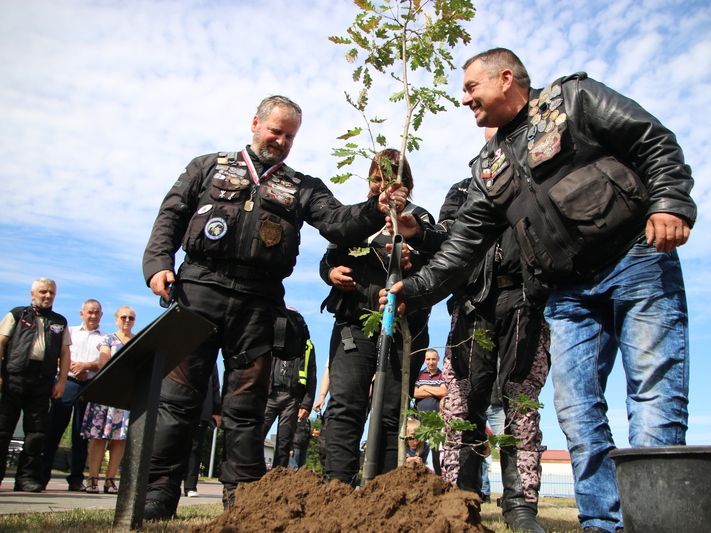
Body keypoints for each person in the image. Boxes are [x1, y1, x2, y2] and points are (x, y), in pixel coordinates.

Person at [382, 48, 696, 533]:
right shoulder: (488, 168)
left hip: (636, 257)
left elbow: (651, 138)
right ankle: (601, 523)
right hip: (567, 292)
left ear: (506, 78)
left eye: (470, 87)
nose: (464, 99)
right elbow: (461, 246)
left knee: (653, 392)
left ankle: (657, 522)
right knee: (576, 407)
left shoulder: (575, 99)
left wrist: (669, 201)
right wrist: (416, 288)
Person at [141, 95, 406, 520]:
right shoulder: (207, 166)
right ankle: (158, 492)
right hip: (198, 289)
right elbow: (171, 215)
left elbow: (338, 222)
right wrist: (158, 264)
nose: (280, 141)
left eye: (289, 136)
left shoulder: (302, 186)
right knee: (179, 397)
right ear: (255, 123)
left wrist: (376, 208)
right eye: (275, 131)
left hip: (259, 301)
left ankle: (243, 498)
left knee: (246, 405)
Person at [400, 145, 551, 532]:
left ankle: (520, 505)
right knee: (461, 405)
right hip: (472, 307)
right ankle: (460, 501)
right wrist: (420, 232)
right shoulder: (463, 189)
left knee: (520, 402)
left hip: (525, 302)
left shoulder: (538, 179)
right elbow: (448, 237)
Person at [319, 148, 434, 485]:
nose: (382, 186)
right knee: (346, 404)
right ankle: (337, 487)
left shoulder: (420, 220)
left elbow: (440, 268)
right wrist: (330, 273)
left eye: (391, 180)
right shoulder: (356, 217)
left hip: (403, 329)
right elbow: (329, 257)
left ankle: (381, 489)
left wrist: (412, 267)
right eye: (376, 179)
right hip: (354, 323)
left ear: (407, 184)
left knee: (390, 410)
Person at [0, 278, 70, 492]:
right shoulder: (17, 314)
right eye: (43, 292)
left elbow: (65, 353)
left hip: (42, 380)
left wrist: (61, 381)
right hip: (14, 377)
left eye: (51, 293)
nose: (47, 296)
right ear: (32, 293)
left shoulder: (59, 321)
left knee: (37, 433)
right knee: (3, 429)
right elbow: (1, 342)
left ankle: (27, 479)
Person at [42, 298, 104, 492]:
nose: (93, 316)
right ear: (82, 313)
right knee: (54, 429)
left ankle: (76, 478)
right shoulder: (70, 332)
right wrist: (72, 368)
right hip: (67, 383)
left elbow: (104, 361)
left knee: (81, 434)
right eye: (90, 312)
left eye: (97, 312)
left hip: (89, 385)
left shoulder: (104, 338)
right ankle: (41, 475)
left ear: (101, 315)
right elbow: (58, 354)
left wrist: (87, 366)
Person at [80, 306, 136, 494]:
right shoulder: (108, 339)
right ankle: (92, 478)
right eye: (123, 317)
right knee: (98, 437)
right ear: (116, 319)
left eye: (131, 318)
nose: (127, 320)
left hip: (125, 395)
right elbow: (104, 362)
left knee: (120, 438)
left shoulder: (137, 340)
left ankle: (110, 479)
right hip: (105, 393)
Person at [262, 308, 316, 468]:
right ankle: (251, 472)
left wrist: (307, 404)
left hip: (291, 399)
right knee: (257, 433)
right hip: (269, 395)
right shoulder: (271, 339)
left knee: (284, 441)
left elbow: (312, 376)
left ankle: (277, 475)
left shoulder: (307, 346)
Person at [183, 367, 221, 497]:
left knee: (195, 448)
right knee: (173, 444)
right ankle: (167, 483)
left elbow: (215, 386)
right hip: (179, 404)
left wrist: (216, 410)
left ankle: (190, 486)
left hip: (202, 408)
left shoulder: (211, 361)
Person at [413, 348, 445, 474]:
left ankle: (438, 478)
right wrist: (434, 391)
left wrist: (425, 387)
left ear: (438, 359)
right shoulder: (419, 374)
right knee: (419, 451)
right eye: (428, 359)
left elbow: (443, 392)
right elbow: (415, 393)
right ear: (425, 360)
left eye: (433, 359)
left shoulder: (442, 375)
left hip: (436, 421)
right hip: (419, 419)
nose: (431, 362)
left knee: (436, 452)